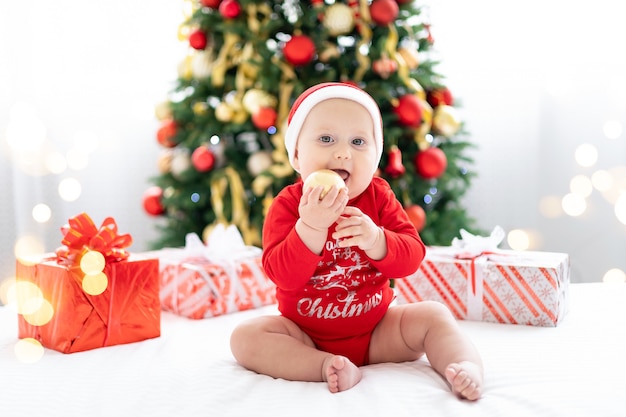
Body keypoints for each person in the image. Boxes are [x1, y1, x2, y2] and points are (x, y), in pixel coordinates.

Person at [230, 82, 483, 400]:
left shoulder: (378, 196)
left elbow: (412, 256)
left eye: (358, 141)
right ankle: (324, 365)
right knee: (245, 338)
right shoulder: (288, 204)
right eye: (326, 139)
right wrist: (310, 227)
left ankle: (464, 365)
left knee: (434, 315)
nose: (342, 152)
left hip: (378, 331)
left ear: (375, 158)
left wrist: (377, 239)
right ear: (296, 155)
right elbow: (282, 275)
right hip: (306, 335)